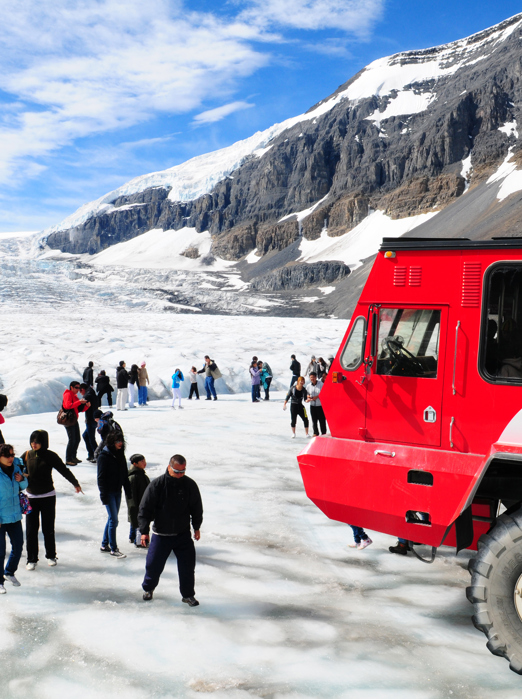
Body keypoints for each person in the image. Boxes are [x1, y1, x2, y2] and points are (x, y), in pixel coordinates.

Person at [139, 454, 203, 606]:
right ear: (169, 467)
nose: (180, 475)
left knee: (188, 567)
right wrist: (143, 531)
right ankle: (148, 588)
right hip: (161, 535)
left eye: (183, 471)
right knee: (153, 565)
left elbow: (196, 507)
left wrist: (197, 527)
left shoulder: (189, 485)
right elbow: (145, 508)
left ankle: (188, 595)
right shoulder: (157, 485)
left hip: (182, 534)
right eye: (177, 471)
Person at [22, 430, 82, 570]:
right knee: (31, 530)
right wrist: (23, 476)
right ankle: (31, 559)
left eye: (37, 441)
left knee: (48, 528)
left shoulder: (50, 455)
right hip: (31, 497)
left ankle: (51, 556)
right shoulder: (27, 455)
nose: (34, 444)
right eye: (32, 441)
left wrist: (75, 483)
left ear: (43, 442)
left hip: (48, 496)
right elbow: (15, 469)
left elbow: (63, 470)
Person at [97, 431, 131, 559]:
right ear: (111, 442)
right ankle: (113, 548)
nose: (120, 443)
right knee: (114, 520)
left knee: (112, 518)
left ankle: (104, 545)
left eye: (121, 441)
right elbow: (101, 478)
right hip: (109, 492)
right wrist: (103, 495)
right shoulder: (103, 457)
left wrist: (128, 491)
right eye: (117, 441)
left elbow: (124, 474)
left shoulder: (120, 455)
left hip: (118, 491)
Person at [0, 444, 27, 593]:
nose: (11, 458)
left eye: (12, 455)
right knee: (0, 551)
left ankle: (9, 572)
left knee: (18, 546)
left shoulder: (16, 467)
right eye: (7, 455)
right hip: (1, 517)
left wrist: (22, 479)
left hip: (15, 514)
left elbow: (23, 486)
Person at [62, 381, 90, 466]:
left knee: (77, 438)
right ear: (71, 387)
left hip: (73, 419)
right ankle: (68, 459)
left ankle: (73, 457)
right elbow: (68, 406)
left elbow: (79, 409)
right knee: (72, 439)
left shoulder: (74, 395)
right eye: (77, 388)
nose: (78, 389)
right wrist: (79, 402)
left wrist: (86, 406)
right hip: (68, 420)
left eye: (79, 388)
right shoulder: (68, 394)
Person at [126, 454, 150, 547]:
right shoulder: (134, 477)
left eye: (144, 460)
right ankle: (139, 542)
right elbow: (132, 497)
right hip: (138, 506)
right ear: (135, 464)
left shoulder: (142, 474)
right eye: (142, 461)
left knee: (136, 522)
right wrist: (134, 508)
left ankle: (132, 537)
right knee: (138, 522)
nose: (145, 463)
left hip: (142, 505)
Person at [80, 383, 98, 463]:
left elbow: (81, 407)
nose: (81, 393)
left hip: (91, 419)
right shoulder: (92, 392)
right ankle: (91, 454)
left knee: (91, 438)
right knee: (86, 436)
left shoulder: (87, 395)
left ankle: (96, 455)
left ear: (82, 389)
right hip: (93, 418)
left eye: (80, 391)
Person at [306, 372, 327, 436]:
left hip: (320, 406)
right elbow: (307, 394)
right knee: (314, 420)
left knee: (322, 420)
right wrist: (308, 397)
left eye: (313, 377)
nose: (312, 378)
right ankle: (315, 432)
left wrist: (317, 397)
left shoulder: (321, 384)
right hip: (312, 406)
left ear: (316, 377)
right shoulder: (308, 386)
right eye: (311, 377)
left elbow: (324, 393)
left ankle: (323, 433)